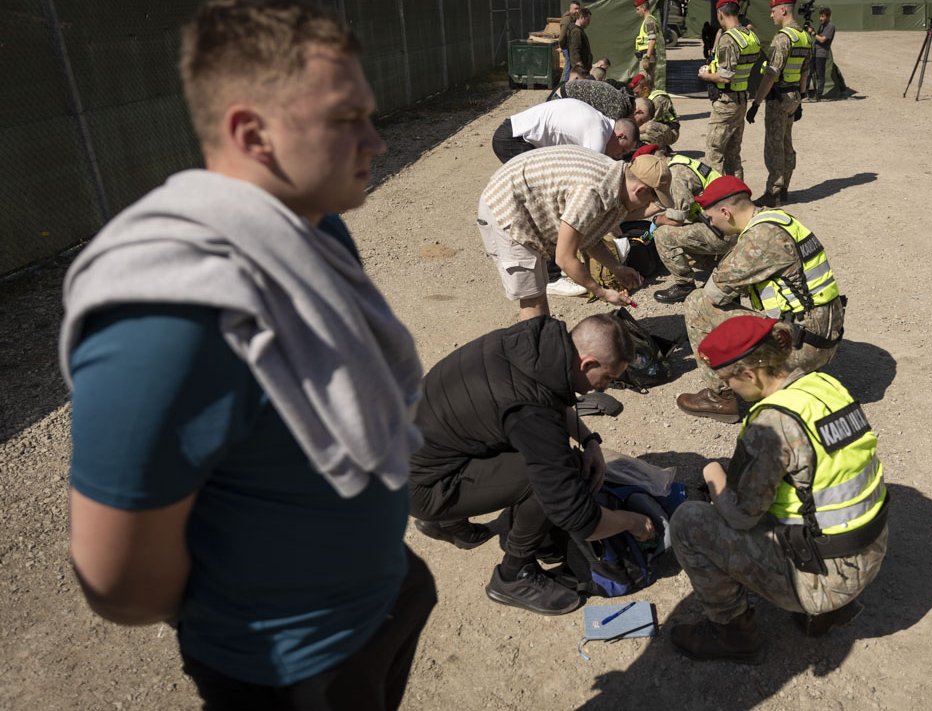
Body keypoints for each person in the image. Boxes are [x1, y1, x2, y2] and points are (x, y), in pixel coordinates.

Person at [60, 2, 434, 708]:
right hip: (289, 668)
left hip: (380, 600)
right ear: (251, 132)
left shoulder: (306, 233)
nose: (377, 141)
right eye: (346, 118)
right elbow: (119, 583)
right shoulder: (164, 316)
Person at [668, 315, 888, 664]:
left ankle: (734, 635)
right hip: (869, 553)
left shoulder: (772, 423)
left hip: (827, 579)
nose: (730, 390)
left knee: (688, 522)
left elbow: (741, 516)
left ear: (749, 374)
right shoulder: (824, 386)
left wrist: (714, 476)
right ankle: (826, 613)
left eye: (728, 381)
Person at [409, 314, 656, 615]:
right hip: (418, 486)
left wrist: (590, 440)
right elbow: (577, 517)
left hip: (417, 449)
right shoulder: (531, 412)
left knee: (516, 442)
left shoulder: (536, 342)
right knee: (552, 475)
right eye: (608, 378)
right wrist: (633, 522)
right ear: (588, 364)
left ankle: (447, 521)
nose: (605, 388)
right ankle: (513, 574)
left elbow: (548, 395)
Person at [677, 176, 845, 422]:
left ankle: (720, 397)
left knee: (697, 303)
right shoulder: (776, 219)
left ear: (725, 212)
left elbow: (714, 293)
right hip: (820, 334)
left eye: (711, 218)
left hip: (804, 346)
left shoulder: (759, 238)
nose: (712, 224)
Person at [478, 146, 672, 320]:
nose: (647, 206)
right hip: (507, 208)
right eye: (651, 199)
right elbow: (565, 258)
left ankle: (544, 346)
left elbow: (587, 237)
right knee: (533, 298)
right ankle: (537, 355)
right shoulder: (592, 192)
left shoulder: (616, 180)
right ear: (639, 190)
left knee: (538, 291)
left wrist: (616, 268)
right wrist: (602, 292)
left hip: (527, 203)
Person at [746, 0, 810, 207]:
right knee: (786, 142)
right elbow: (804, 72)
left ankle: (773, 192)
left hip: (778, 97)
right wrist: (801, 99)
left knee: (774, 146)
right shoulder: (804, 37)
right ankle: (784, 188)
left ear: (783, 10)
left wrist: (756, 103)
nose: (771, 15)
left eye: (773, 11)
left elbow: (771, 75)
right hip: (793, 96)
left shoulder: (783, 39)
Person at [652, 153, 730, 304]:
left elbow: (676, 220)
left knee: (663, 234)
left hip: (725, 232)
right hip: (728, 226)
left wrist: (656, 220)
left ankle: (684, 285)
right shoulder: (682, 162)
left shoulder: (674, 174)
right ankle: (725, 268)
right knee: (684, 238)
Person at [698, 0, 761, 180]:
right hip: (740, 99)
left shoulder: (728, 39)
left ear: (720, 14)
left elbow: (725, 76)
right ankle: (738, 196)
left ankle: (716, 197)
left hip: (725, 101)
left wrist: (705, 75)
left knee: (714, 151)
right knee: (733, 153)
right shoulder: (749, 35)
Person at [492, 98, 639, 163]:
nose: (619, 156)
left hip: (517, 133)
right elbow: (592, 174)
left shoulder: (600, 122)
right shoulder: (598, 134)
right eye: (623, 151)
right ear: (621, 136)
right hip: (514, 138)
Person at [629, 74, 681, 148]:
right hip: (661, 128)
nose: (635, 95)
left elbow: (649, 123)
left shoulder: (658, 99)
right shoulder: (647, 97)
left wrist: (632, 133)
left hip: (672, 131)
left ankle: (660, 151)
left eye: (637, 93)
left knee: (649, 127)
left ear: (645, 89)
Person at [550, 76, 635, 121]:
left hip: (563, 94)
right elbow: (610, 133)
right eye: (641, 120)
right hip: (563, 100)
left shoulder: (619, 96)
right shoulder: (619, 108)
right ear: (637, 112)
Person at [633, 0, 661, 86]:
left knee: (645, 81)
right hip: (644, 54)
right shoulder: (647, 20)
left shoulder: (649, 21)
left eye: (637, 9)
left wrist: (647, 58)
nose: (636, 12)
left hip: (646, 54)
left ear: (643, 8)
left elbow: (652, 40)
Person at [810, 7, 834, 101]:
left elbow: (822, 39)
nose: (820, 18)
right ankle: (809, 94)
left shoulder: (830, 26)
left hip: (821, 53)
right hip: (815, 53)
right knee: (810, 73)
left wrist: (812, 33)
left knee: (820, 75)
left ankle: (819, 95)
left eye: (823, 16)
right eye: (820, 16)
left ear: (828, 16)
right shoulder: (822, 26)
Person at [563, 6, 594, 79]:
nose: (589, 22)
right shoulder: (576, 32)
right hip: (580, 69)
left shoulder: (579, 30)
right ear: (582, 17)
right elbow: (575, 49)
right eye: (587, 20)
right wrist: (578, 64)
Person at [559, 1, 583, 86]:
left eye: (578, 9)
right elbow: (562, 36)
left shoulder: (573, 18)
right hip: (566, 46)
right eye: (575, 8)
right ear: (570, 9)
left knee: (569, 66)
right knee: (568, 66)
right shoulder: (567, 19)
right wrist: (563, 46)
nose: (577, 11)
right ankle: (562, 85)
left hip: (569, 46)